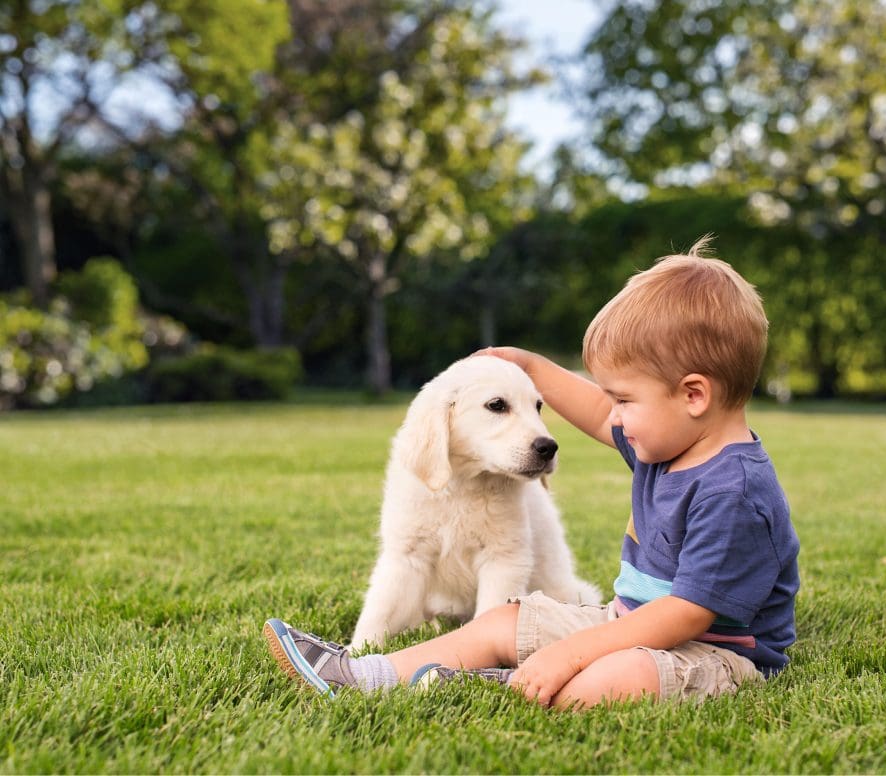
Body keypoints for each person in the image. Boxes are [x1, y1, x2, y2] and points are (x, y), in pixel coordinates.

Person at [264, 237, 800, 709]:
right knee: (500, 621)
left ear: (693, 395)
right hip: (625, 623)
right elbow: (591, 411)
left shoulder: (734, 491)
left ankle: (485, 684)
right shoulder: (669, 440)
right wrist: (531, 366)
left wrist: (571, 651)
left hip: (718, 652)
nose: (611, 416)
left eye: (623, 399)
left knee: (612, 677)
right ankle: (362, 674)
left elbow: (685, 616)